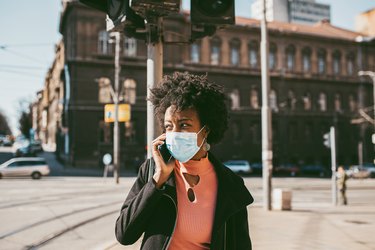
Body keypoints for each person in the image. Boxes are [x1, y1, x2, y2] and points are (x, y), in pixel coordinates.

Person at [115, 72, 254, 249]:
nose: (174, 133)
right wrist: (157, 182)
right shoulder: (151, 171)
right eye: (168, 126)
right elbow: (124, 234)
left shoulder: (230, 185)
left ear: (206, 130)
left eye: (184, 125)